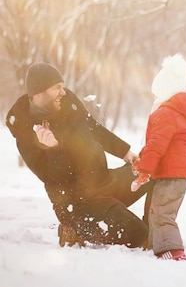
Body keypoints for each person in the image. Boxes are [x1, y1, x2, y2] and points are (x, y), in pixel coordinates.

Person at [5, 62, 153, 248]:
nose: (63, 92)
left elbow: (93, 127)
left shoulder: (67, 102)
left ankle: (151, 227)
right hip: (79, 205)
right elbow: (54, 179)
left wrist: (124, 151)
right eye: (57, 88)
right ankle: (74, 228)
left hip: (104, 182)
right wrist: (54, 149)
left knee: (151, 171)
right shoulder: (26, 133)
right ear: (39, 92)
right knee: (139, 235)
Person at [131, 54, 186, 261]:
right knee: (159, 210)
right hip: (179, 173)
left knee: (162, 213)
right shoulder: (181, 112)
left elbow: (156, 145)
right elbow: (162, 144)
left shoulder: (166, 113)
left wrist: (144, 169)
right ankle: (155, 245)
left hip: (171, 173)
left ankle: (173, 251)